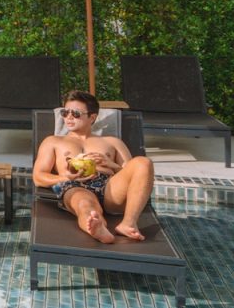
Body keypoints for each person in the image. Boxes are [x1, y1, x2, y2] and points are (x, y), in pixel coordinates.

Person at [31, 90, 155, 243]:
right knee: (85, 204)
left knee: (144, 162)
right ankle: (97, 226)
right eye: (65, 112)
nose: (68, 117)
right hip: (74, 185)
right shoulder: (53, 141)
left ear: (92, 117)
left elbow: (135, 177)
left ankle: (128, 223)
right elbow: (38, 177)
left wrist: (112, 165)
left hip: (110, 187)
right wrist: (65, 177)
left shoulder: (112, 142)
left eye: (75, 113)